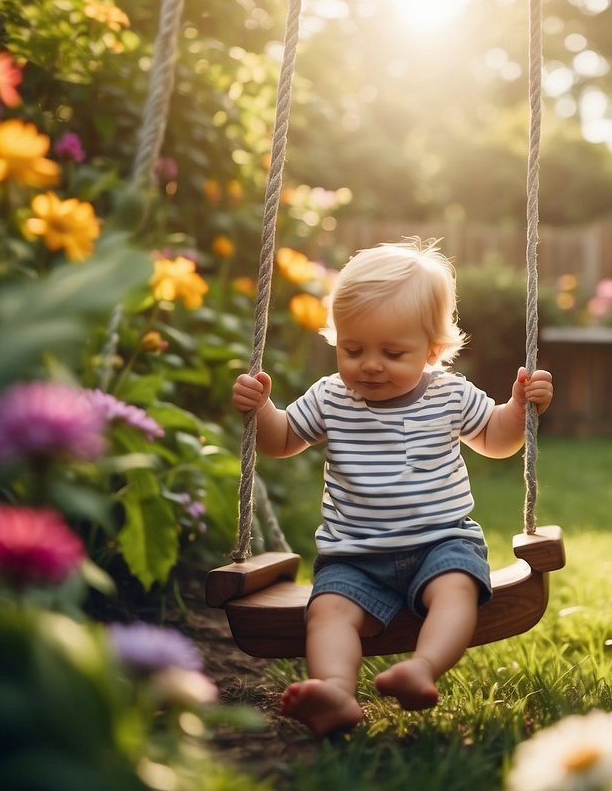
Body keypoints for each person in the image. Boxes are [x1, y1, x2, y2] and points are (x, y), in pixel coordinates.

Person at [231, 238, 553, 738]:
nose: (370, 365)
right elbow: (283, 441)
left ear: (433, 350)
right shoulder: (330, 397)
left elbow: (494, 440)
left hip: (441, 542)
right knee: (327, 613)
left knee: (456, 591)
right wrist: (262, 410)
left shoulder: (450, 394)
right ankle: (336, 691)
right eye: (352, 349)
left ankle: (421, 668)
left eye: (392, 352)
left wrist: (518, 409)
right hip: (354, 555)